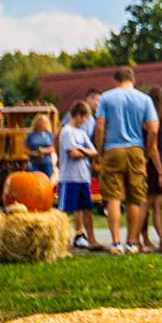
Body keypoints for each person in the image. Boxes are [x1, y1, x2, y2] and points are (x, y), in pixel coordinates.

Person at [92, 65, 160, 255]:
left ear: (115, 80)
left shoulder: (106, 97)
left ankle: (115, 243)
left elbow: (99, 127)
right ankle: (131, 242)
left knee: (113, 197)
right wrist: (146, 151)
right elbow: (154, 129)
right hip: (136, 149)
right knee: (135, 198)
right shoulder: (144, 99)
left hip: (112, 149)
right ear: (133, 79)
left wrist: (100, 151)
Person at [55, 102, 104, 252]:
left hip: (83, 177)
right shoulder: (67, 132)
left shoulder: (81, 133)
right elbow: (73, 154)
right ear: (77, 115)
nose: (85, 121)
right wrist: (84, 151)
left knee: (86, 209)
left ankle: (92, 240)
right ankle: (64, 242)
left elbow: (94, 152)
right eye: (85, 118)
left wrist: (82, 149)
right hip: (69, 177)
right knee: (66, 211)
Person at [139, 84, 162, 253]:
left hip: (146, 164)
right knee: (147, 203)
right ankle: (136, 240)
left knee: (157, 202)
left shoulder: (145, 118)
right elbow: (153, 148)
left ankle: (161, 238)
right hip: (151, 166)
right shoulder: (152, 121)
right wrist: (161, 172)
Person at [24, 113, 56, 179]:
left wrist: (45, 151)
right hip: (34, 163)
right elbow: (25, 149)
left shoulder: (49, 134)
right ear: (37, 122)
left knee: (48, 180)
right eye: (41, 122)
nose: (43, 124)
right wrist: (33, 153)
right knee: (36, 180)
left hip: (47, 162)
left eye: (45, 122)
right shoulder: (31, 134)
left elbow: (53, 147)